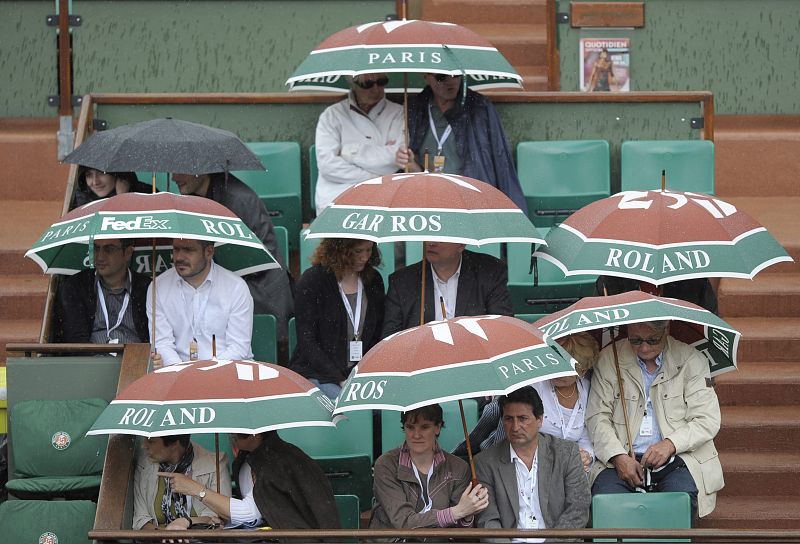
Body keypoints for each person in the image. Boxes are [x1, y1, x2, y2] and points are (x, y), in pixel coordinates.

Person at [585, 320, 724, 519]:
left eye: (652, 340)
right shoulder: (609, 358)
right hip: (621, 458)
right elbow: (597, 417)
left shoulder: (691, 360)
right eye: (635, 340)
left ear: (666, 330)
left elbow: (707, 419)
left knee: (679, 500)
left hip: (678, 457)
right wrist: (618, 456)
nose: (643, 347)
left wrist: (670, 444)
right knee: (606, 502)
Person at [172, 172, 293, 338]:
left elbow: (261, 258)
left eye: (180, 170)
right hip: (220, 288)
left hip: (261, 295)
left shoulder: (240, 200)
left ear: (202, 169)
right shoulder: (190, 201)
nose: (174, 178)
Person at [454, 333, 599, 463]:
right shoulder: (531, 385)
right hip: (518, 460)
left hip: (566, 467)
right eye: (556, 363)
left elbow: (586, 437)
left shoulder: (588, 390)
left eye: (567, 368)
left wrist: (587, 456)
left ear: (583, 370)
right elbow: (514, 436)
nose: (558, 372)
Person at [395, 74, 527, 213]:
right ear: (426, 77)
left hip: (469, 200)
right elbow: (415, 171)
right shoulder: (417, 107)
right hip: (427, 199)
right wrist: (410, 164)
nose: (451, 82)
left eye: (456, 75)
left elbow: (501, 162)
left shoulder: (478, 107)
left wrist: (515, 212)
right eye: (441, 77)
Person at [475, 386, 591, 540]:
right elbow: (488, 520)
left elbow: (577, 510)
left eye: (523, 418)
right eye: (509, 419)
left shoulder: (567, 453)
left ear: (540, 420)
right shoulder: (485, 462)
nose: (515, 427)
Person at [165, 431, 340, 530]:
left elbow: (250, 514)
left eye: (239, 434)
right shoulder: (252, 457)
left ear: (256, 435)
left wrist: (195, 489)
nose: (232, 436)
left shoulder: (278, 460)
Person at [289, 238, 385, 399]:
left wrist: (362, 374)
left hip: (359, 373)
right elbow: (308, 341)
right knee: (347, 407)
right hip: (318, 372)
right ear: (339, 251)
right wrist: (339, 379)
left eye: (369, 250)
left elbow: (377, 334)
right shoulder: (313, 280)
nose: (365, 257)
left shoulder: (373, 280)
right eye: (358, 251)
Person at [370, 404, 488, 529]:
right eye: (410, 427)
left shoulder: (458, 468)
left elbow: (462, 532)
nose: (416, 435)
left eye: (424, 427)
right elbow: (403, 522)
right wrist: (456, 512)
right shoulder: (385, 465)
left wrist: (469, 513)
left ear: (437, 428)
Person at [147, 238, 254, 368]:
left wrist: (205, 375)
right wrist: (182, 373)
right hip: (177, 372)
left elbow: (238, 348)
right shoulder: (157, 287)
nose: (179, 257)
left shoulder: (235, 287)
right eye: (176, 249)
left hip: (228, 371)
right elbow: (162, 343)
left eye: (188, 250)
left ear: (209, 252)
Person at [314, 72, 404, 214]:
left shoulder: (399, 113)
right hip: (336, 196)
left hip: (382, 196)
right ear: (353, 85)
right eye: (367, 84)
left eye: (381, 82)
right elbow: (327, 165)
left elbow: (397, 157)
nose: (376, 89)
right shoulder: (332, 115)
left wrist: (349, 151)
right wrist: (372, 178)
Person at [382, 243, 512, 338]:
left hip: (473, 362)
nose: (431, 243)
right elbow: (389, 341)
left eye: (440, 238)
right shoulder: (402, 282)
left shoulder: (489, 271)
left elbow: (503, 329)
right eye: (428, 235)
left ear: (461, 244)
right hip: (422, 366)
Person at [56, 238, 150, 344]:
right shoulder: (76, 285)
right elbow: (74, 339)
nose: (100, 257)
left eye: (109, 249)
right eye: (96, 248)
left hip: (135, 358)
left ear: (128, 253)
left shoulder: (148, 288)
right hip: (90, 358)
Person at [132, 434, 231, 530]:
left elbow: (218, 517)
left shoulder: (215, 465)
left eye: (151, 441)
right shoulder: (144, 465)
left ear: (175, 443)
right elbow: (141, 520)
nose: (143, 445)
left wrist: (184, 522)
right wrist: (169, 536)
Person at [595, 275, 719, 315]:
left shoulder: (694, 283)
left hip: (681, 354)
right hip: (625, 356)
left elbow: (710, 324)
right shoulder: (609, 283)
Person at [71, 167, 151, 209]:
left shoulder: (147, 195)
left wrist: (122, 199)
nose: (95, 182)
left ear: (117, 174)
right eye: (89, 175)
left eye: (102, 173)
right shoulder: (82, 200)